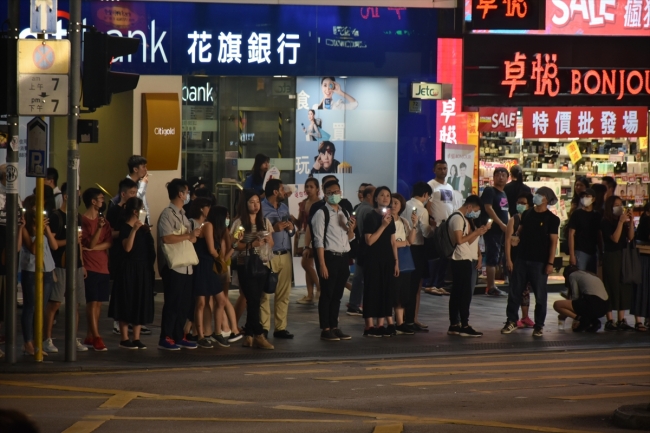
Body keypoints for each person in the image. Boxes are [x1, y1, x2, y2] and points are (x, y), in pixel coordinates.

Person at [503, 187, 560, 337]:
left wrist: (550, 263)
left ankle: (539, 325)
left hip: (539, 262)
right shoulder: (527, 213)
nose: (536, 197)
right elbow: (520, 230)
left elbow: (553, 242)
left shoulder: (552, 219)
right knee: (515, 291)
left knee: (540, 295)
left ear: (547, 199)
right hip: (522, 258)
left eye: (540, 195)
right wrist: (516, 237)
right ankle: (511, 320)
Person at [43, 183, 88, 353]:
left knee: (75, 304)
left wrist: (82, 264)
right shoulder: (56, 217)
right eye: (77, 195)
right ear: (67, 196)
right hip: (60, 265)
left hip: (75, 264)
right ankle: (47, 338)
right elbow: (52, 243)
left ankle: (72, 338)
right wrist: (70, 240)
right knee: (54, 303)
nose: (79, 199)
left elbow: (79, 243)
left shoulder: (77, 217)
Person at [157, 179, 201, 351]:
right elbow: (166, 238)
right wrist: (188, 235)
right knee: (172, 303)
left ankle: (178, 335)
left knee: (184, 304)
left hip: (187, 265)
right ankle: (165, 336)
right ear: (180, 194)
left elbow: (192, 238)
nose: (188, 195)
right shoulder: (167, 214)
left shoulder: (183, 214)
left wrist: (193, 234)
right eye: (187, 192)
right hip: (174, 266)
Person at [312, 179, 356, 341]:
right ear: (325, 195)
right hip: (329, 257)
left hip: (344, 257)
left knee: (337, 295)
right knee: (327, 294)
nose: (334, 195)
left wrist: (350, 229)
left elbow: (350, 238)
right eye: (330, 193)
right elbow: (318, 241)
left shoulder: (343, 212)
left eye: (337, 192)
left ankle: (335, 326)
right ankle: (326, 328)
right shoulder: (321, 213)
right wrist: (322, 264)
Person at [231, 189, 275, 349]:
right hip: (245, 265)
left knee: (255, 300)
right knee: (252, 299)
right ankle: (258, 334)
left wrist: (268, 240)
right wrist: (251, 244)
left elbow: (272, 245)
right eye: (252, 202)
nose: (256, 205)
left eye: (257, 202)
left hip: (261, 264)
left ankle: (249, 335)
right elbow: (234, 244)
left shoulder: (264, 221)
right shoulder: (240, 223)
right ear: (245, 204)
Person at [109, 197, 155, 350]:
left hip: (142, 268)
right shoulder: (125, 227)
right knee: (126, 300)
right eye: (142, 209)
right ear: (135, 212)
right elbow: (127, 247)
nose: (144, 212)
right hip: (128, 268)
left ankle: (136, 337)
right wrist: (134, 230)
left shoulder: (143, 228)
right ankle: (124, 338)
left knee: (139, 300)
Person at [185, 197, 225, 349]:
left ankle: (216, 331)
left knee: (218, 299)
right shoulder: (208, 225)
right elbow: (211, 250)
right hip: (203, 265)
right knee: (201, 302)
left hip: (208, 266)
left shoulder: (212, 226)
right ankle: (200, 335)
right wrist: (221, 259)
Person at [447, 195, 489, 338]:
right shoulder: (457, 218)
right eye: (476, 210)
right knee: (461, 294)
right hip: (460, 259)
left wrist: (478, 234)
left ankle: (456, 324)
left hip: (465, 258)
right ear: (469, 206)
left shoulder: (465, 219)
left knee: (460, 293)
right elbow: (459, 241)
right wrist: (476, 232)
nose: (476, 213)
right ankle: (462, 324)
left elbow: (467, 242)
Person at [20, 203, 57, 357]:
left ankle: (37, 341)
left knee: (40, 308)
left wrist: (46, 230)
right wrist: (40, 231)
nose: (42, 217)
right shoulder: (25, 229)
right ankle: (27, 342)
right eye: (38, 214)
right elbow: (33, 249)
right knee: (31, 307)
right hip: (31, 271)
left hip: (47, 270)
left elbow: (53, 246)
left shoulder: (43, 229)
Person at [107, 178, 142, 337]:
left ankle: (135, 322)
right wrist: (125, 233)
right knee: (122, 290)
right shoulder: (115, 210)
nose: (134, 195)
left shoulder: (137, 211)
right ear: (123, 194)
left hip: (136, 256)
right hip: (120, 254)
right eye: (132, 193)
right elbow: (109, 233)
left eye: (136, 192)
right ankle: (119, 322)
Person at [362, 186, 399, 337]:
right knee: (372, 291)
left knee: (386, 291)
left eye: (388, 196)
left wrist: (396, 261)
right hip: (373, 260)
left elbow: (393, 242)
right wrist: (383, 226)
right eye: (382, 195)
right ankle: (369, 326)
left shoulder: (390, 218)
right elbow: (369, 241)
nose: (385, 198)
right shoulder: (370, 216)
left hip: (387, 260)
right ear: (375, 198)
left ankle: (381, 324)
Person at [261, 179, 295, 339]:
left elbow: (291, 232)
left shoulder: (284, 207)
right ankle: (263, 327)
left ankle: (281, 328)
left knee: (284, 293)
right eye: (282, 189)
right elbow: (257, 232)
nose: (284, 192)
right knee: (265, 293)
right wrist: (273, 229)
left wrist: (291, 228)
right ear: (275, 192)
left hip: (285, 253)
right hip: (268, 254)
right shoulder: (261, 208)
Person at [400, 182, 435, 333]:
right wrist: (433, 227)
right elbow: (426, 233)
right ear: (426, 195)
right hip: (417, 249)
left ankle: (403, 318)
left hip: (403, 248)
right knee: (415, 287)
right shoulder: (422, 210)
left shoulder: (404, 206)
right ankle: (410, 320)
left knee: (404, 285)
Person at [81, 188, 113, 352]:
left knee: (99, 303)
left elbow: (108, 243)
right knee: (91, 302)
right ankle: (97, 336)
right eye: (100, 198)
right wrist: (98, 231)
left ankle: (90, 335)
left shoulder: (104, 221)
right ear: (93, 201)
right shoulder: (83, 220)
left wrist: (92, 249)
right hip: (90, 266)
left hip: (103, 266)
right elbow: (88, 244)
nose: (103, 201)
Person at [204, 205, 241, 344]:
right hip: (219, 269)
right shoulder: (213, 229)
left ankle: (224, 329)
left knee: (218, 300)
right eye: (225, 216)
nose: (228, 219)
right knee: (218, 300)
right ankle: (228, 329)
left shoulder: (221, 232)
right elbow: (221, 255)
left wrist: (235, 244)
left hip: (219, 269)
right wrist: (234, 245)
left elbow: (224, 256)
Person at [600, 196, 635, 331]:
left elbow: (630, 237)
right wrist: (620, 223)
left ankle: (622, 318)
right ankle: (610, 319)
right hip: (611, 255)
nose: (619, 207)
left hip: (623, 254)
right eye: (616, 204)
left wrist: (630, 222)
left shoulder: (623, 221)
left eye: (621, 204)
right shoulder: (606, 222)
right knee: (611, 284)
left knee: (623, 284)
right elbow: (614, 239)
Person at [504, 192, 535, 329]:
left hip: (527, 259)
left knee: (525, 290)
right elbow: (507, 241)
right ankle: (513, 317)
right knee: (515, 289)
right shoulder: (514, 220)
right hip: (516, 259)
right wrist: (509, 260)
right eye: (519, 203)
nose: (520, 205)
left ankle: (525, 316)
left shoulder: (531, 219)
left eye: (523, 203)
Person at [426, 160, 455, 296]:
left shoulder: (449, 187)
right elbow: (428, 204)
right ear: (434, 170)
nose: (443, 171)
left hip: (448, 226)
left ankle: (440, 283)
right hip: (437, 226)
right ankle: (431, 284)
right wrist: (431, 220)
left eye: (445, 168)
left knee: (445, 256)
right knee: (436, 256)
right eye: (440, 168)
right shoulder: (431, 185)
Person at [390, 193, 417, 334]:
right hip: (392, 259)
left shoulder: (403, 221)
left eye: (396, 203)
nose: (393, 206)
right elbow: (393, 243)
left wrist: (414, 225)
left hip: (404, 259)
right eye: (392, 203)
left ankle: (400, 322)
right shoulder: (387, 220)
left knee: (402, 292)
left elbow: (410, 241)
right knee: (394, 291)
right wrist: (405, 243)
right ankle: (394, 322)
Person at [481, 167, 510, 296]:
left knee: (497, 256)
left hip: (502, 230)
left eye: (504, 175)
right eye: (498, 174)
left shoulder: (503, 193)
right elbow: (488, 208)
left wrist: (508, 225)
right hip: (493, 229)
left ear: (507, 178)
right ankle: (490, 287)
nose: (501, 177)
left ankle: (494, 285)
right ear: (493, 177)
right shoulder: (490, 191)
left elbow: (504, 211)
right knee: (492, 257)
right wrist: (501, 224)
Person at [348, 185, 376, 316]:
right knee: (364, 278)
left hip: (360, 247)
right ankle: (358, 305)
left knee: (359, 277)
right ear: (369, 195)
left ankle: (354, 304)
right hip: (367, 248)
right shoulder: (368, 210)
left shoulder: (359, 208)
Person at [554, 265, 609, 332]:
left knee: (557, 304)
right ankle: (594, 322)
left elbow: (575, 297)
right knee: (584, 304)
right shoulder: (589, 274)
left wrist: (565, 314)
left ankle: (581, 320)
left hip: (593, 304)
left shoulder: (572, 275)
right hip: (605, 307)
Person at [296, 178, 321, 304]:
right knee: (307, 265)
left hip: (315, 235)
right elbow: (299, 222)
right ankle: (310, 294)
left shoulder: (320, 203)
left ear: (317, 189)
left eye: (311, 187)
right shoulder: (303, 203)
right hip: (304, 235)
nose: (308, 189)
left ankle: (319, 286)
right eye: (307, 186)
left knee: (305, 264)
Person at [567, 188, 600, 273]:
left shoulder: (597, 215)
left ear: (593, 199)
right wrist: (572, 255)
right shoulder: (577, 214)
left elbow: (599, 234)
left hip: (593, 251)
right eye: (583, 196)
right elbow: (571, 234)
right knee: (580, 277)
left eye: (587, 196)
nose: (585, 198)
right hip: (580, 251)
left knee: (592, 278)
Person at [113, 155, 150, 223]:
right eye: (143, 167)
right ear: (135, 169)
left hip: (143, 221)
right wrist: (143, 185)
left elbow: (144, 205)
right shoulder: (127, 184)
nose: (146, 169)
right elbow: (134, 200)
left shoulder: (140, 182)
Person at [632, 203, 650, 332]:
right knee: (643, 288)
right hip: (645, 258)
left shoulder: (644, 221)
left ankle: (639, 320)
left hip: (642, 258)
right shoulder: (646, 222)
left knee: (642, 289)